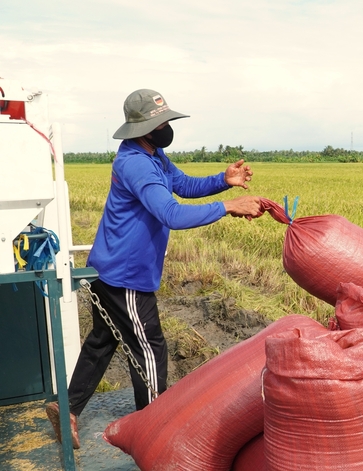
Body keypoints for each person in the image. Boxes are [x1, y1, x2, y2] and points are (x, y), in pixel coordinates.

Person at [46, 89, 263, 448]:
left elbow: (183, 186)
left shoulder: (154, 155)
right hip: (124, 276)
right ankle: (153, 429)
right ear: (144, 126)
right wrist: (228, 206)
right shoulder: (135, 164)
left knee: (102, 342)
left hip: (112, 270)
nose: (167, 127)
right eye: (161, 122)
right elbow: (171, 213)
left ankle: (66, 407)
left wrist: (223, 180)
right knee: (149, 347)